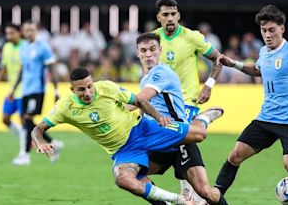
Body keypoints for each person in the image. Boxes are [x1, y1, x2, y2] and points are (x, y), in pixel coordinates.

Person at [31, 67, 224, 204]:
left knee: (199, 134)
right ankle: (179, 201)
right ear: (72, 90)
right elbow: (37, 129)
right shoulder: (65, 107)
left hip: (143, 129)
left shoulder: (106, 87)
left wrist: (158, 117)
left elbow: (138, 100)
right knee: (123, 179)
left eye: (90, 86)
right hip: (124, 150)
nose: (88, 92)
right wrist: (40, 142)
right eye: (82, 89)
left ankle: (203, 118)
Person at [215, 5, 288, 205]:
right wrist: (235, 64)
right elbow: (258, 70)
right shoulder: (263, 52)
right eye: (264, 30)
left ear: (282, 28)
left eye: (272, 30)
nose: (267, 35)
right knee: (235, 155)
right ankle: (213, 197)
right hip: (265, 118)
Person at [133, 32, 228, 205]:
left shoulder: (162, 72)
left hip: (180, 138)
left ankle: (201, 120)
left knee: (205, 192)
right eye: (144, 50)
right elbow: (143, 109)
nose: (148, 54)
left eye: (152, 49)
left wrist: (112, 106)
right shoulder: (145, 78)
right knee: (134, 176)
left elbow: (139, 100)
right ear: (137, 53)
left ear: (160, 50)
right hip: (160, 141)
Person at [153, 0, 224, 198]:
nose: (170, 18)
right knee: (171, 144)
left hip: (186, 100)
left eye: (173, 14)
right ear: (159, 17)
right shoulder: (153, 40)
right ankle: (203, 120)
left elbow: (217, 59)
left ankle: (187, 188)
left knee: (181, 136)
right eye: (165, 14)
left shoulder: (192, 37)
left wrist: (209, 85)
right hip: (161, 103)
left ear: (179, 15)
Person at [10, 20, 63, 165]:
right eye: (26, 30)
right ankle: (54, 143)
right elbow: (22, 70)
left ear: (36, 32)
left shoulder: (43, 47)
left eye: (32, 30)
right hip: (25, 90)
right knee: (27, 120)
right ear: (23, 32)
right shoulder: (23, 48)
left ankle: (25, 155)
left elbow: (52, 69)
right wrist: (13, 90)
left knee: (27, 119)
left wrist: (56, 89)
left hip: (38, 89)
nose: (29, 33)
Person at [0, 23, 26, 163]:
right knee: (5, 119)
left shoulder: (25, 46)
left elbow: (24, 70)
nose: (8, 36)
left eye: (11, 33)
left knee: (23, 121)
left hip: (24, 89)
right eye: (7, 33)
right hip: (12, 90)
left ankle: (23, 154)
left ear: (19, 33)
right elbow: (4, 67)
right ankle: (27, 138)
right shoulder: (7, 47)